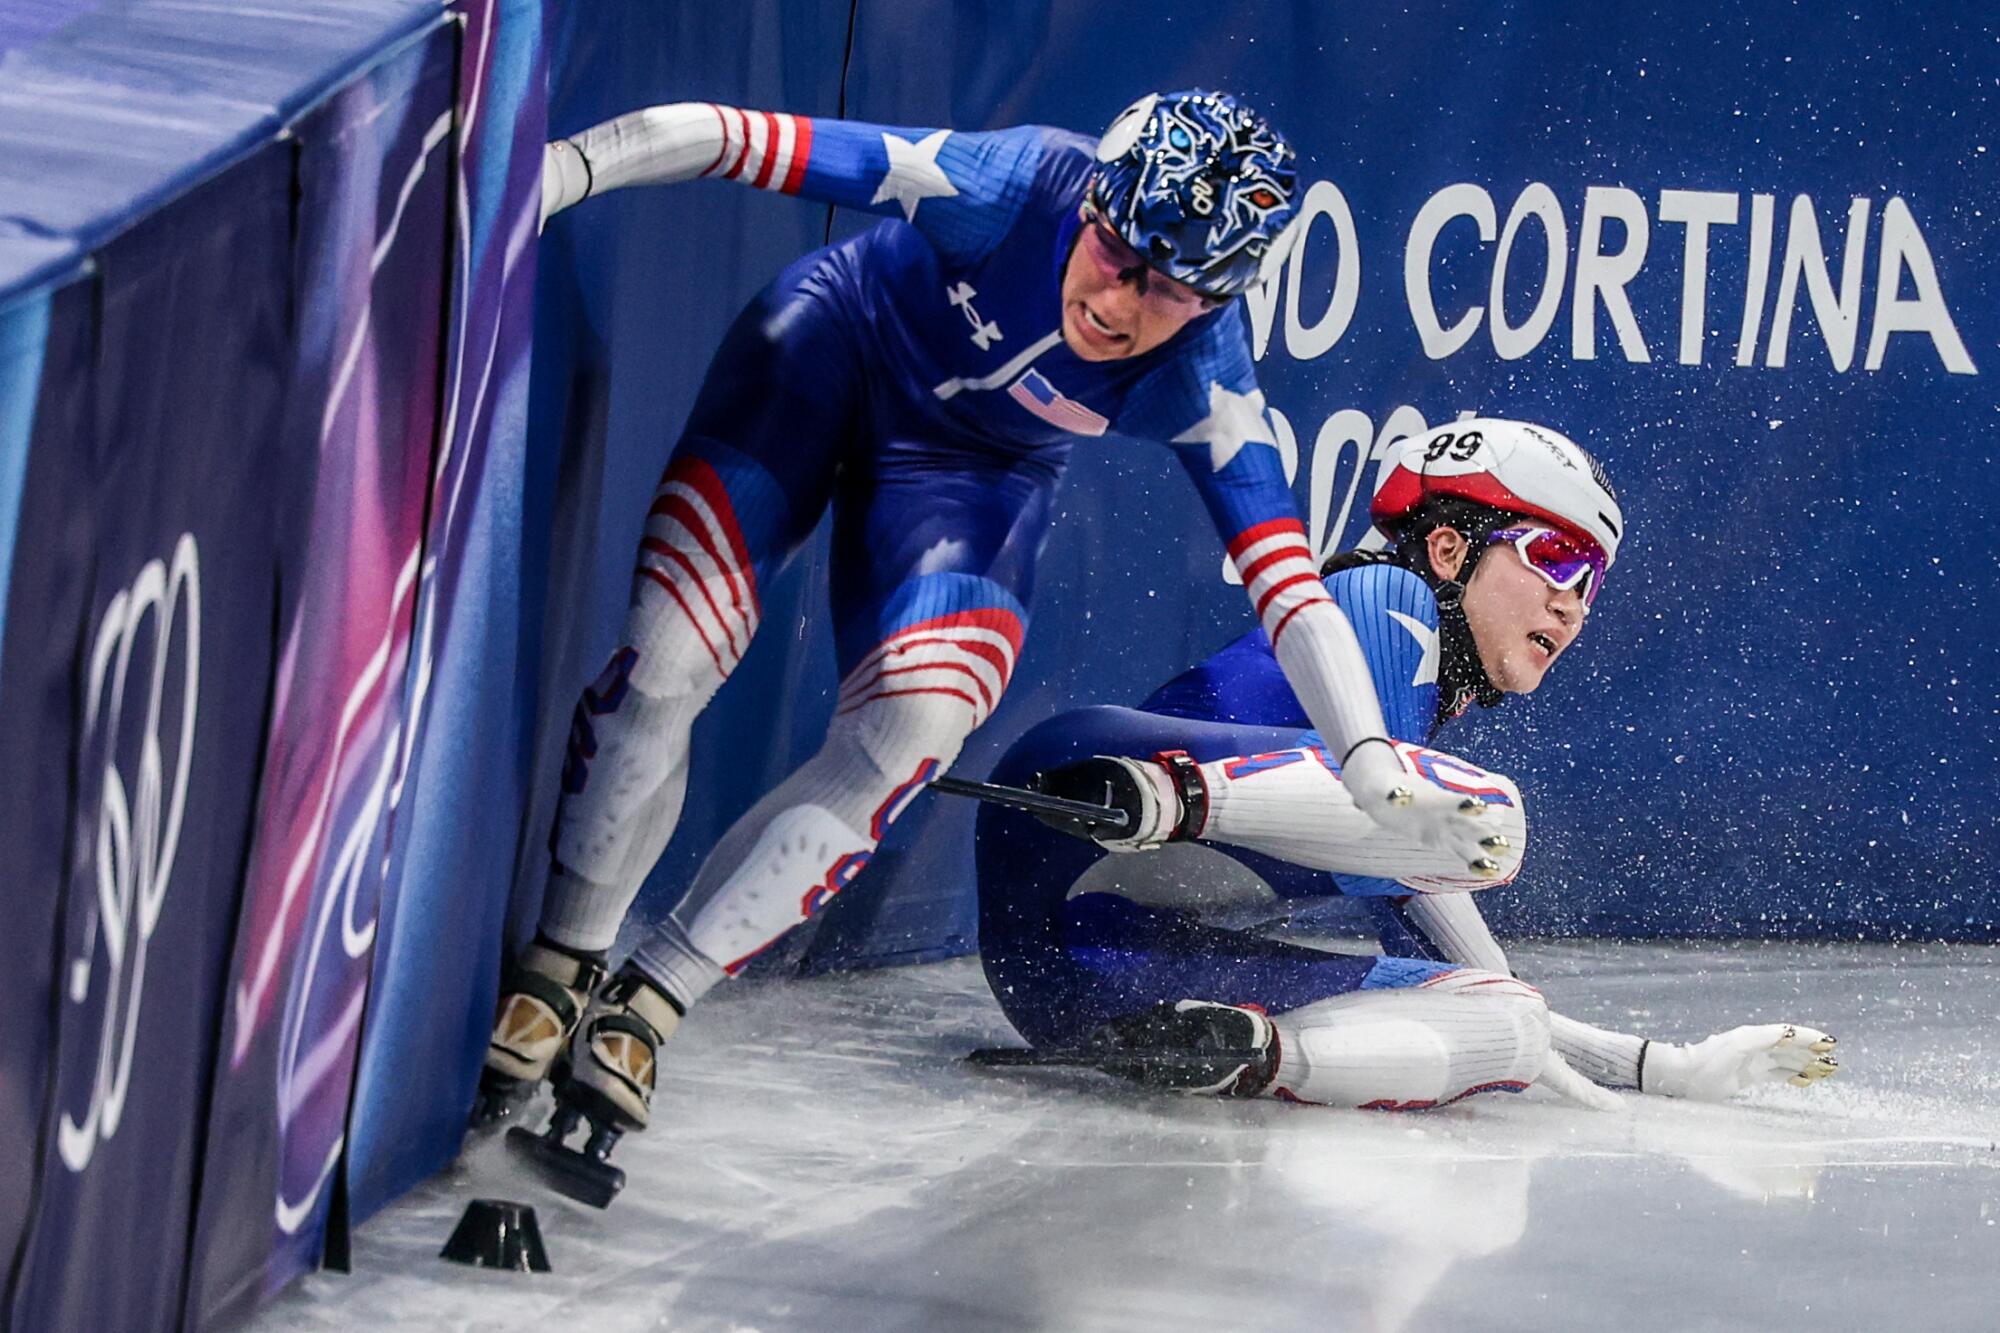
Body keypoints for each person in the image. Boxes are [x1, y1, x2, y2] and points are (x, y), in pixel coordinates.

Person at [484, 91, 1513, 1164]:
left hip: (965, 476)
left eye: (1167, 289)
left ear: (1215, 302)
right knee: (668, 665)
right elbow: (737, 137)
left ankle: (651, 999)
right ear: (1092, 205)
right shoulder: (1012, 184)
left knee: (916, 726)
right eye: (1115, 250)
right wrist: (553, 178)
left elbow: (1291, 589)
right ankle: (564, 957)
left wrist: (1365, 758)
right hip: (827, 351)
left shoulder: (1207, 377)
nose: (1119, 300)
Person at [972, 418, 1841, 1110]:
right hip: (1066, 789)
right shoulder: (1388, 593)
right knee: (1483, 820)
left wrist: (1659, 1067)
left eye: (1591, 582)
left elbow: (1459, 948)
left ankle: (1260, 1056)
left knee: (1502, 1020)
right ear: (1450, 550)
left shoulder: (1415, 727)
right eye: (1555, 558)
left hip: (1075, 973)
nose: (1571, 604)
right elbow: (1409, 842)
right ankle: (1173, 794)